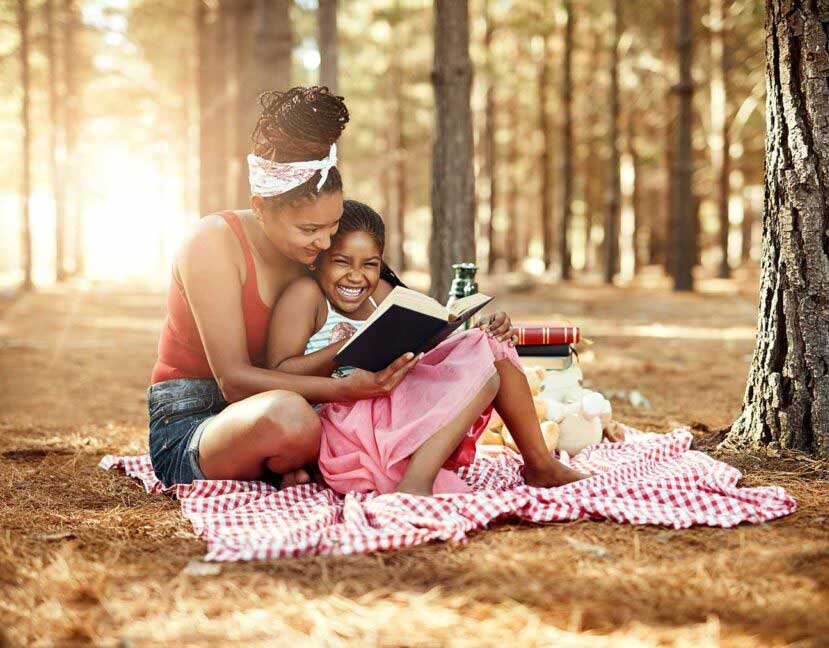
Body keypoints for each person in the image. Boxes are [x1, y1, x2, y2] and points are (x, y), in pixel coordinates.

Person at [147, 86, 512, 490]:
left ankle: (297, 468)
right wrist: (342, 390)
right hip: (195, 420)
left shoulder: (314, 250)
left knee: (467, 364)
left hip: (303, 404)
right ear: (261, 207)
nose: (324, 243)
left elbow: (402, 306)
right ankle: (294, 463)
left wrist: (462, 333)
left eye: (333, 226)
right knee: (291, 419)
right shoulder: (212, 243)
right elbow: (232, 381)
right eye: (310, 230)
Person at [265, 200, 591, 495]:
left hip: (390, 404)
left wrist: (478, 330)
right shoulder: (306, 295)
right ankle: (415, 484)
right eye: (341, 262)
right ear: (318, 260)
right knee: (485, 376)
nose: (356, 276)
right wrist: (346, 348)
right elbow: (280, 372)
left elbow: (435, 329)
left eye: (370, 264)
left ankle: (540, 465)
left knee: (491, 346)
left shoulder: (380, 291)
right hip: (342, 425)